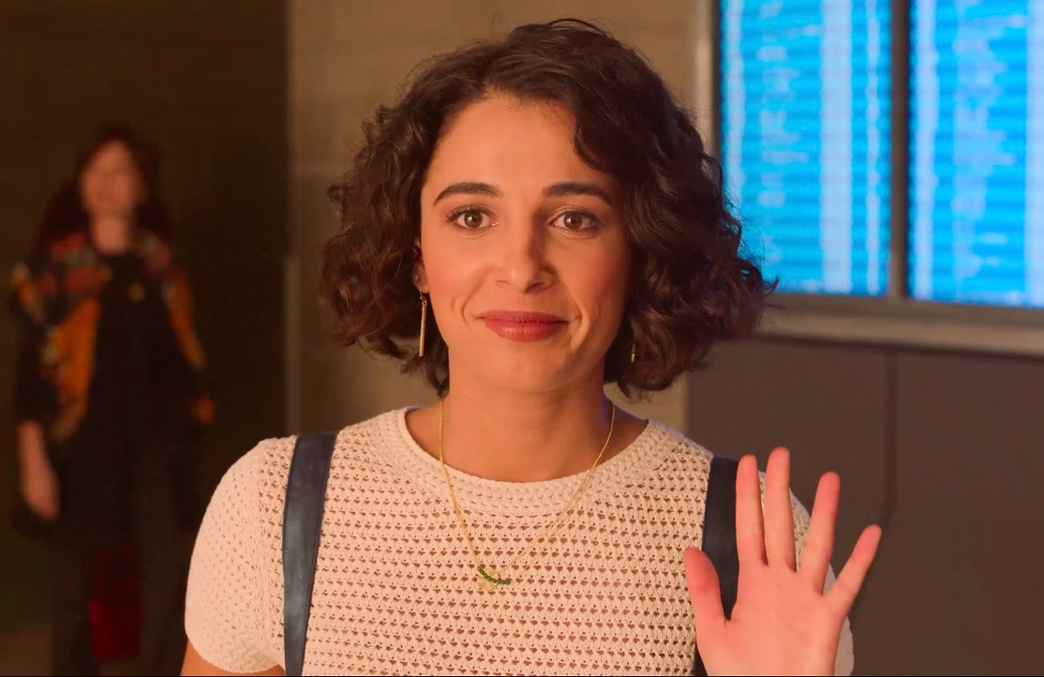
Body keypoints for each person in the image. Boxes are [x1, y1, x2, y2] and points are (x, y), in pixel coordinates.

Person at [182, 19, 880, 676]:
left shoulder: (756, 543)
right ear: (416, 254)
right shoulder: (273, 507)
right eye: (472, 216)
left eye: (575, 218)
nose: (521, 267)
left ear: (640, 252)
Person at [10, 123, 213, 675]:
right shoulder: (51, 273)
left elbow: (184, 365)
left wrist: (184, 439)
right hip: (78, 451)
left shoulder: (162, 268)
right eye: (94, 170)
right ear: (80, 182)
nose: (105, 182)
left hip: (153, 448)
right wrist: (34, 464)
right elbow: (30, 379)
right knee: (73, 590)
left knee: (167, 576)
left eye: (120, 170)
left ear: (142, 186)